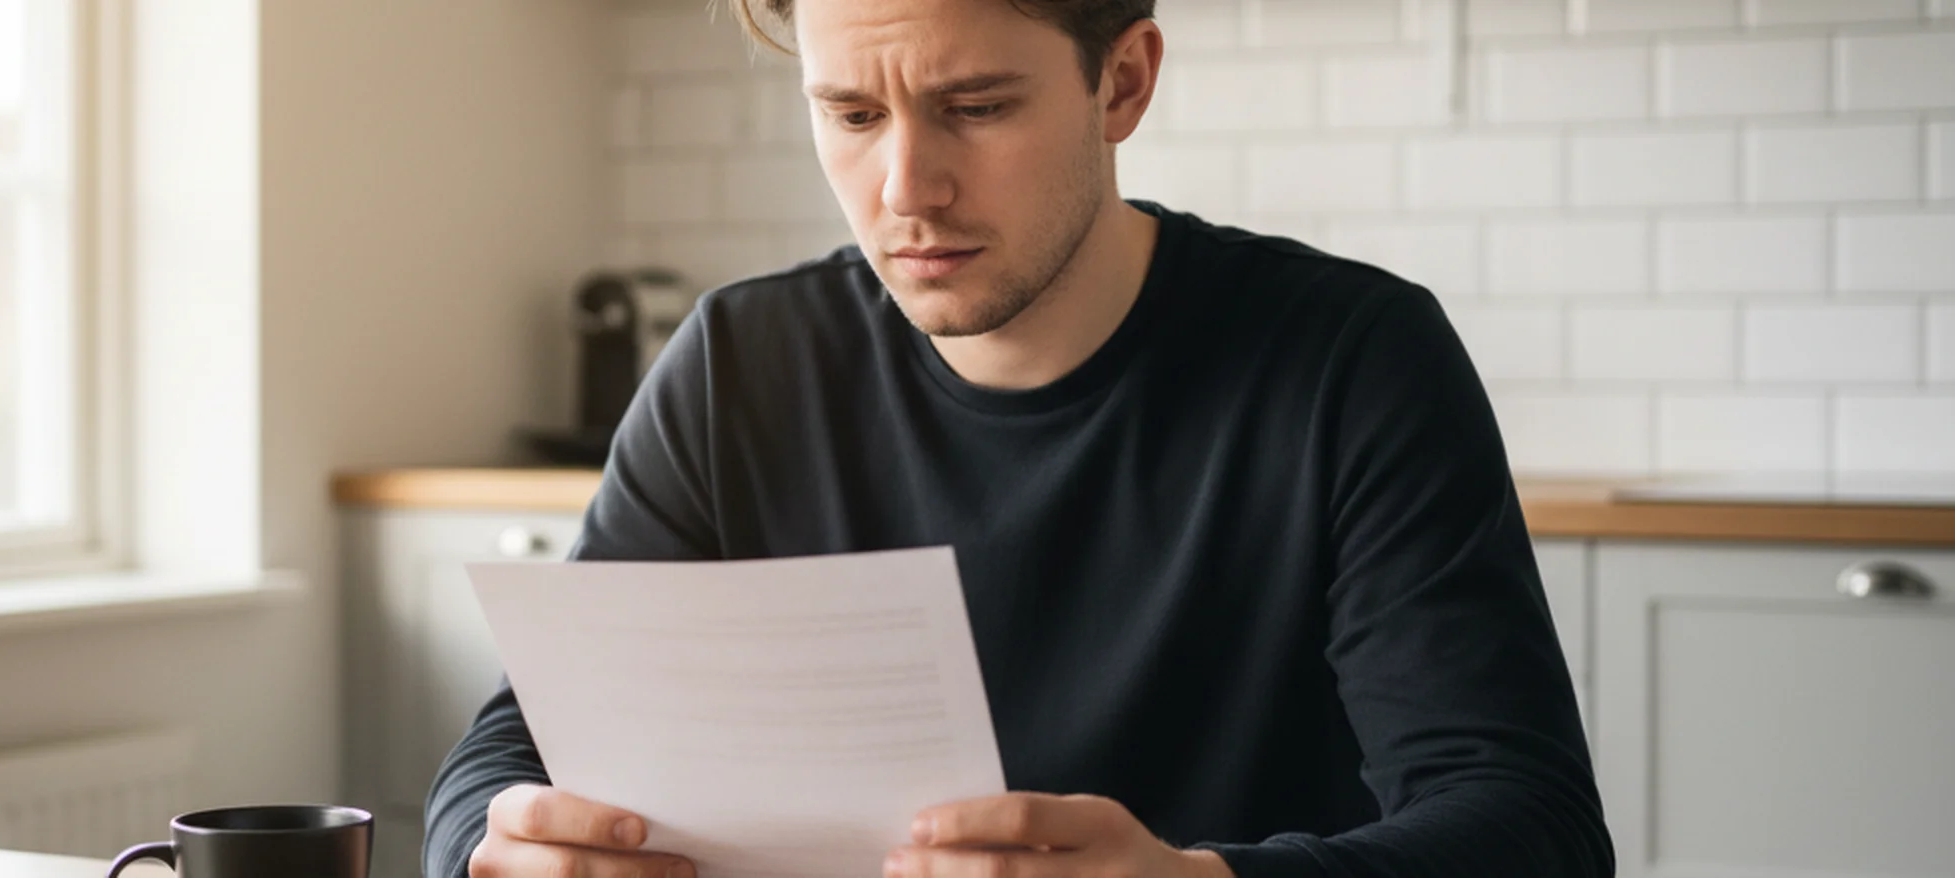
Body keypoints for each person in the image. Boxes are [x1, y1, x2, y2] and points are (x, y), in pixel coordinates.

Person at [423, 0, 1616, 875]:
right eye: (848, 112)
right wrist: (491, 842)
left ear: (1123, 82)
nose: (906, 188)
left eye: (975, 108)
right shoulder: (740, 361)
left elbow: (1527, 823)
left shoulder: (1352, 359)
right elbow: (517, 739)